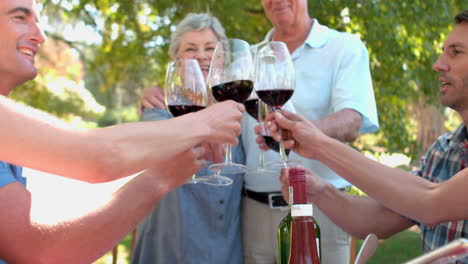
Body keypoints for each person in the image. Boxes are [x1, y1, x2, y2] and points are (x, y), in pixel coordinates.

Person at [0, 1, 244, 263]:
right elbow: (101, 156)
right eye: (19, 16)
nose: (41, 35)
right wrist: (201, 128)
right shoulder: (159, 112)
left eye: (210, 49)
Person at [267, 10, 468, 263]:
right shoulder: (443, 150)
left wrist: (318, 144)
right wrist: (320, 192)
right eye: (443, 51)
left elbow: (429, 203)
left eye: (456, 52)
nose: (438, 64)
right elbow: (380, 218)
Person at [239, 0, 379, 263]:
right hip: (253, 215)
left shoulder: (344, 46)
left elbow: (352, 120)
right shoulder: (249, 57)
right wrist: (156, 97)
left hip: (322, 212)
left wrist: (300, 132)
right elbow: (211, 103)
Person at [131, 13, 245, 264]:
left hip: (226, 250)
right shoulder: (158, 109)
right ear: (177, 60)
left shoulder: (240, 112)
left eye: (210, 48)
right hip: (169, 249)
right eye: (190, 49)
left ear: (223, 58)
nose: (202, 56)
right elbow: (158, 145)